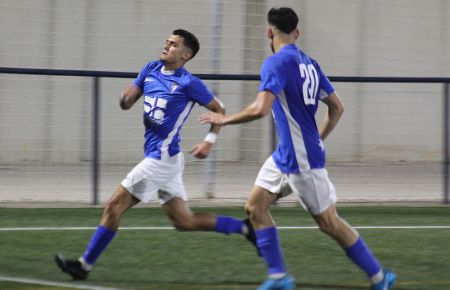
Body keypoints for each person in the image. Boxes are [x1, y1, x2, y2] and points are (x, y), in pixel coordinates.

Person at [200, 7, 396, 290]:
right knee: (255, 207)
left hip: (302, 159)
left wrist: (223, 119)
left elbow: (260, 108)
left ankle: (380, 277)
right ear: (297, 33)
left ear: (269, 32)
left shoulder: (275, 63)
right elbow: (337, 108)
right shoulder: (311, 64)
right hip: (286, 155)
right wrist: (317, 137)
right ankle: (279, 276)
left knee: (329, 223)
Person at [54, 29, 257, 280]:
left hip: (159, 160)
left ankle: (83, 265)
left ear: (186, 55)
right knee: (184, 221)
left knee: (113, 206)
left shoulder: (188, 83)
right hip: (168, 159)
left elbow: (220, 109)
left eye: (173, 44)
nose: (166, 46)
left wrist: (209, 141)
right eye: (166, 42)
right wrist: (126, 99)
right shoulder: (150, 68)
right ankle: (245, 228)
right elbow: (131, 94)